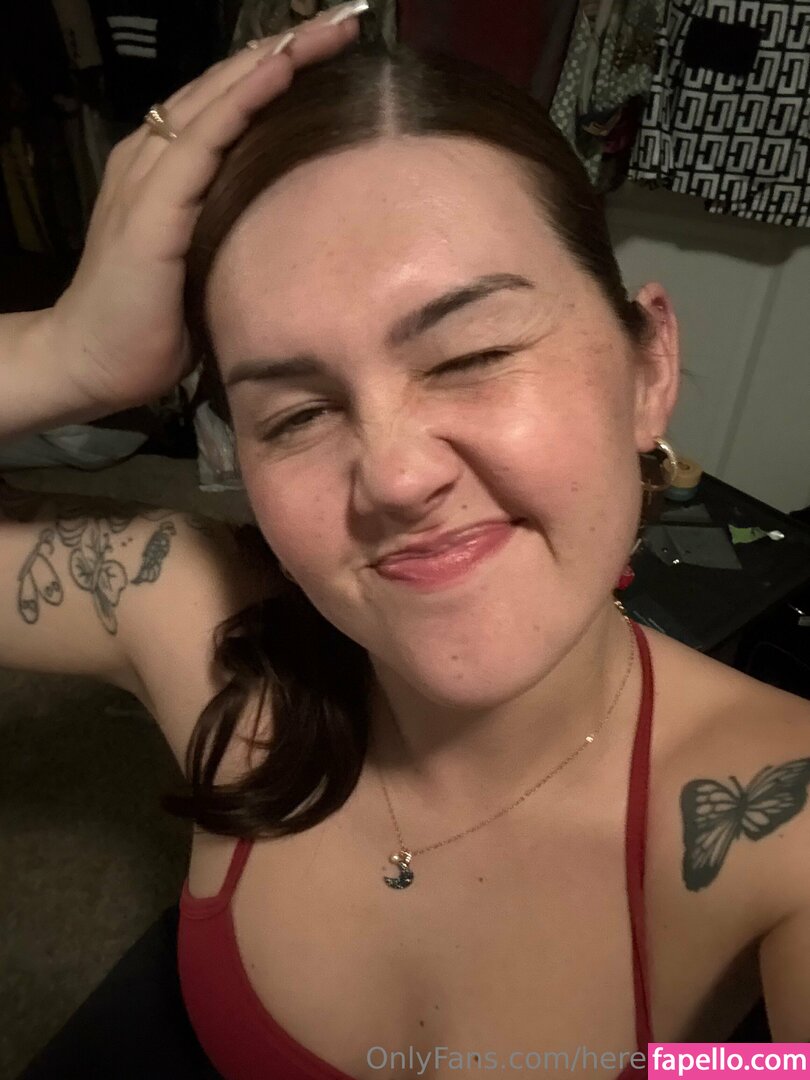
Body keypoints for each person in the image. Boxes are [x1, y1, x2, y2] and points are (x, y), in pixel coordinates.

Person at [2, 1, 809, 1076]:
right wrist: (63, 353)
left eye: (471, 355)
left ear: (647, 368)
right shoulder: (199, 625)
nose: (392, 475)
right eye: (296, 414)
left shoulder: (782, 820)